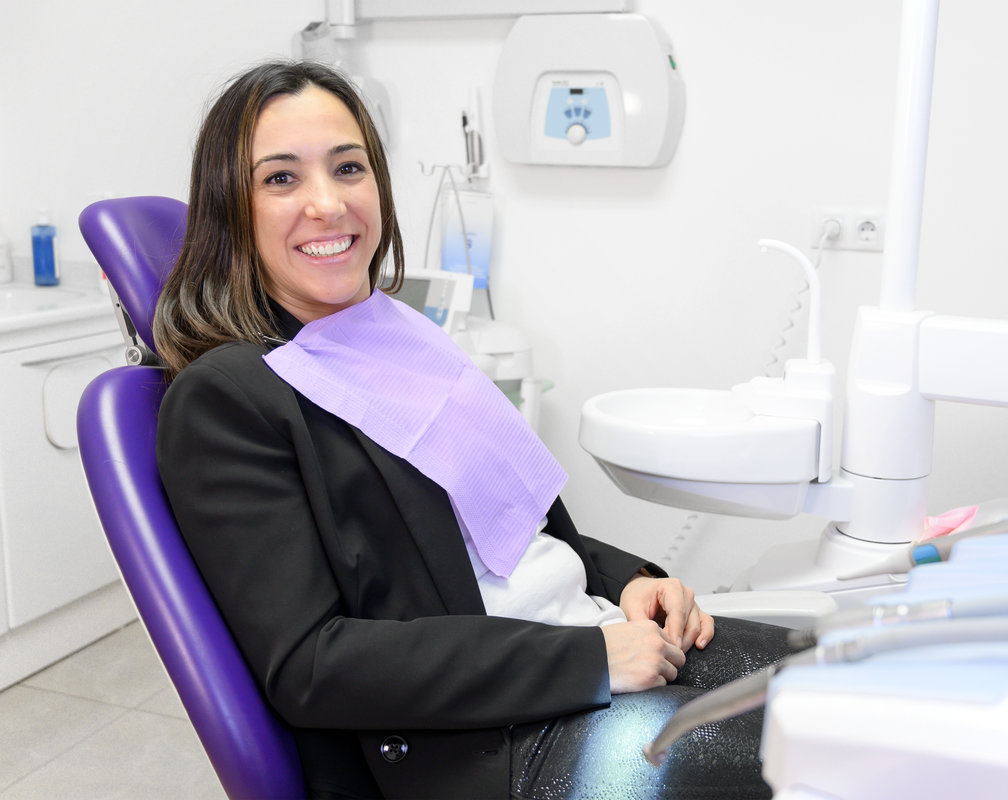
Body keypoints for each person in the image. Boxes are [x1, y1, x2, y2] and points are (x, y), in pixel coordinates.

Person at [154, 60, 790, 800]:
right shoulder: (231, 398)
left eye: (348, 167)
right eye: (281, 179)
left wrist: (633, 584)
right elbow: (312, 663)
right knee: (852, 759)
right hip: (496, 741)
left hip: (589, 641)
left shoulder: (395, 337)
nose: (327, 204)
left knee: (871, 685)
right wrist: (589, 661)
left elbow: (512, 531)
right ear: (231, 208)